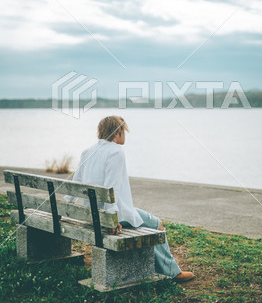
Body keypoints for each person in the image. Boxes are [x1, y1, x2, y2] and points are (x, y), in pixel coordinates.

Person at [65, 115, 194, 282]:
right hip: (110, 216)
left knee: (143, 219)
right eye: (124, 131)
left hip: (92, 215)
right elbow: (112, 187)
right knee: (156, 224)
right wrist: (111, 220)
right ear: (117, 132)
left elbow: (74, 186)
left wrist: (68, 207)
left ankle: (157, 266)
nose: (125, 134)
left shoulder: (87, 152)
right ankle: (171, 272)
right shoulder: (116, 151)